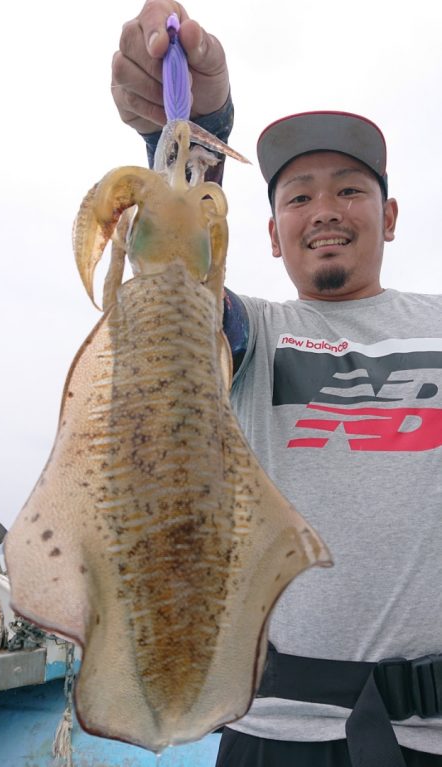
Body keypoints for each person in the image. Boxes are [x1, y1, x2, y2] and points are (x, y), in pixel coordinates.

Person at [112, 3, 442, 765]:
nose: (324, 211)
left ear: (389, 216)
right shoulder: (252, 333)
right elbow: (175, 273)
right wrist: (192, 121)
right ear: (268, 234)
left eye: (350, 190)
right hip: (273, 735)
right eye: (297, 196)